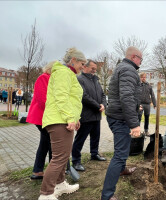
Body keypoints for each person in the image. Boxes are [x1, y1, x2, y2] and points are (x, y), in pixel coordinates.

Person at [38, 47, 86, 200]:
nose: (83, 67)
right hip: (59, 120)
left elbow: (71, 100)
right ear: (73, 60)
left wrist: (75, 118)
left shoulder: (68, 74)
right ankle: (46, 194)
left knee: (63, 156)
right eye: (82, 63)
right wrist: (70, 118)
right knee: (59, 158)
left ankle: (59, 184)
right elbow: (61, 97)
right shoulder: (63, 73)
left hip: (63, 119)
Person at [102, 46, 142, 200]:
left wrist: (135, 105)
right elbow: (126, 97)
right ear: (134, 57)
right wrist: (134, 124)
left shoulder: (122, 67)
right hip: (120, 118)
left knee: (122, 149)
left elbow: (125, 95)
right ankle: (107, 195)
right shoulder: (129, 70)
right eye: (141, 59)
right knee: (119, 154)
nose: (141, 62)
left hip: (117, 114)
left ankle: (122, 169)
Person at [71, 59, 107, 171]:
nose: (94, 71)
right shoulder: (79, 79)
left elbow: (102, 94)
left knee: (96, 137)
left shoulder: (96, 80)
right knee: (80, 139)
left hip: (96, 115)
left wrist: (103, 104)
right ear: (85, 67)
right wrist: (98, 106)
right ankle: (76, 161)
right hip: (85, 115)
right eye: (92, 68)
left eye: (95, 69)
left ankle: (94, 154)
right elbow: (84, 96)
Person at [26, 61, 54, 180]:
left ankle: (37, 171)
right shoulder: (44, 78)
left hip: (46, 117)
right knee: (53, 143)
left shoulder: (52, 79)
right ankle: (54, 172)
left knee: (44, 144)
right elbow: (43, 100)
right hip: (42, 118)